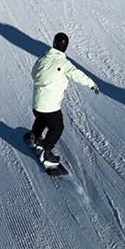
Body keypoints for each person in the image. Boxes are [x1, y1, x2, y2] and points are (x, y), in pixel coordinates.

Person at [25, 33, 99, 168]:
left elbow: (34, 73)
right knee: (57, 127)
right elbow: (77, 74)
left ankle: (34, 137)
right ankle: (45, 151)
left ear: (53, 43)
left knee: (41, 118)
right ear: (65, 47)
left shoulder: (42, 58)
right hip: (51, 107)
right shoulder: (64, 64)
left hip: (36, 104)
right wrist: (91, 84)